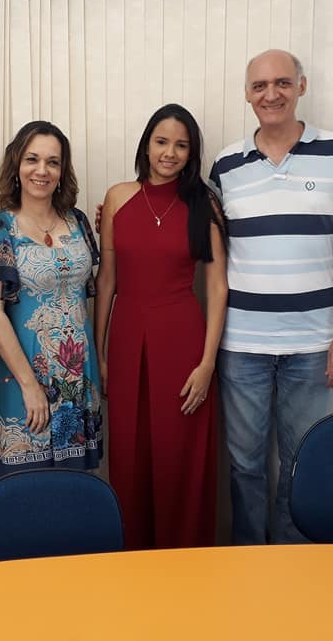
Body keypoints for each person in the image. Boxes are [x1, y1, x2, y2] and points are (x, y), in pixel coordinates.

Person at [207, 50, 333, 544]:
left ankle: (293, 563)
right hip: (242, 344)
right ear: (247, 94)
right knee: (244, 466)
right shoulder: (225, 166)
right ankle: (247, 559)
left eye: (281, 82)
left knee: (302, 463)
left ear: (301, 86)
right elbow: (203, 244)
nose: (270, 94)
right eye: (259, 85)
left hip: (314, 343)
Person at [95, 104, 227, 550]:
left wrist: (207, 364)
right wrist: (100, 353)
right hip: (127, 334)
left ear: (192, 154)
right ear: (146, 145)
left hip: (182, 338)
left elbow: (217, 287)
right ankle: (133, 562)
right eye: (162, 141)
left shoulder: (203, 204)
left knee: (178, 455)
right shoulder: (118, 197)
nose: (170, 153)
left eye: (181, 145)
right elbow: (107, 280)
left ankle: (186, 562)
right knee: (130, 455)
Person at [0, 121, 103, 478]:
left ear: (62, 171)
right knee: (26, 488)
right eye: (32, 159)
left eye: (52, 162)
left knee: (75, 488)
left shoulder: (78, 222)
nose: (42, 170)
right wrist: (30, 386)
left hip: (78, 376)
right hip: (23, 375)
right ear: (16, 164)